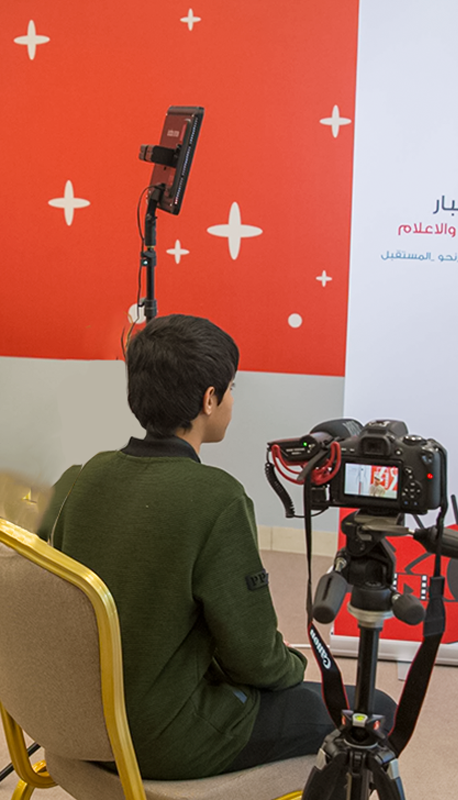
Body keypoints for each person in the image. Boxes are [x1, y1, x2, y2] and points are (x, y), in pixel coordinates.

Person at [36, 314, 394, 780]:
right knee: (374, 711)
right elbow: (256, 661)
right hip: (160, 738)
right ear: (209, 399)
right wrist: (294, 662)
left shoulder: (82, 477)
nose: (231, 399)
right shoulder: (217, 499)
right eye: (231, 388)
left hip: (76, 726)